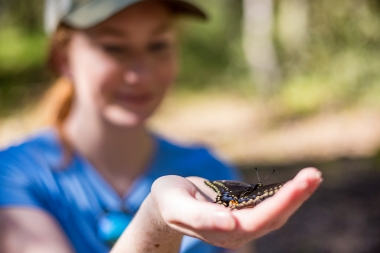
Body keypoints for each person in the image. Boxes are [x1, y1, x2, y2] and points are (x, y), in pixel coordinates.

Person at [0, 0, 323, 253]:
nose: (141, 74)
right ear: (63, 59)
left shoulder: (209, 168)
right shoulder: (13, 175)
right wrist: (157, 221)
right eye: (114, 47)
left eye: (158, 45)